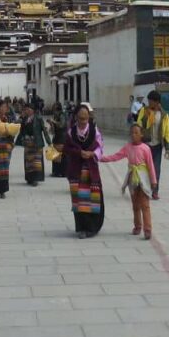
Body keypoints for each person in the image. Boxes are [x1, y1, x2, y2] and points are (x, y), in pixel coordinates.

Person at [101, 123, 157, 240]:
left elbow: (151, 166)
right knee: (135, 205)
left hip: (143, 179)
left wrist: (153, 181)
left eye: (136, 132)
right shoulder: (127, 147)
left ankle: (148, 229)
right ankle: (137, 226)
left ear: (141, 134)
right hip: (132, 179)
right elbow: (116, 156)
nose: (133, 135)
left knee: (145, 205)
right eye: (132, 133)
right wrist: (101, 158)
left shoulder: (146, 148)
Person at [63, 102, 104, 239]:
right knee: (80, 201)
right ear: (76, 117)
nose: (83, 121)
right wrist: (79, 152)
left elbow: (100, 147)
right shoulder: (71, 132)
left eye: (85, 118)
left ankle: (92, 228)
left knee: (92, 199)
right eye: (80, 118)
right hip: (77, 171)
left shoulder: (94, 131)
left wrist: (92, 154)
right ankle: (81, 228)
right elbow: (67, 149)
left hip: (91, 170)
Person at [135, 90, 169, 200]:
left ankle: (155, 191)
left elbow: (167, 131)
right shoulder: (144, 111)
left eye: (151, 101)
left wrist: (167, 148)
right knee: (143, 168)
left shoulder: (164, 115)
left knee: (156, 169)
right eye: (148, 100)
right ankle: (142, 190)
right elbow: (139, 125)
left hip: (157, 146)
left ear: (157, 102)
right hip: (145, 145)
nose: (149, 103)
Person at [16, 102, 50, 186]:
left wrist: (49, 142)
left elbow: (44, 131)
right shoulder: (24, 119)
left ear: (33, 111)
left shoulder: (38, 118)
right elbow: (21, 131)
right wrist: (18, 141)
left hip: (37, 142)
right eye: (26, 109)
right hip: (28, 143)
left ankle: (36, 179)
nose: (27, 111)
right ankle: (29, 178)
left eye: (28, 109)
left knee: (36, 162)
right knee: (29, 162)